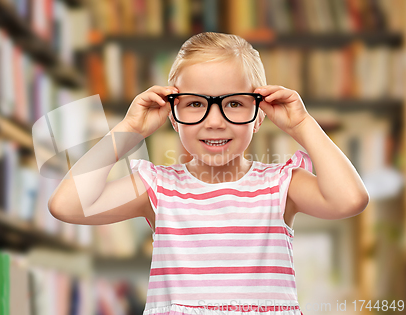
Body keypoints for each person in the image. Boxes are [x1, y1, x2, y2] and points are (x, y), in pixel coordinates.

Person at [48, 32, 369, 315]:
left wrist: (302, 124)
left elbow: (349, 200)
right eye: (194, 104)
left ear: (259, 115)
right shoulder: (157, 187)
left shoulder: (281, 185)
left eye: (234, 104)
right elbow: (68, 206)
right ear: (172, 115)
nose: (214, 121)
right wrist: (129, 130)